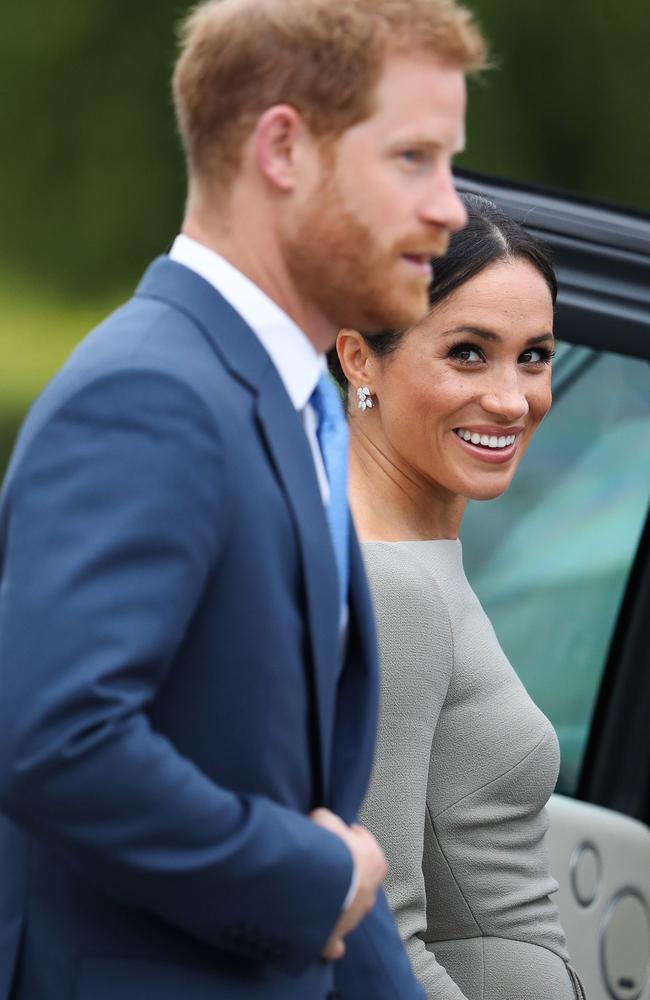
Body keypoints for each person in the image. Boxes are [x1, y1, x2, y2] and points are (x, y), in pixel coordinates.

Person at [0, 2, 487, 998]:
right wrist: (306, 877)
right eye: (412, 159)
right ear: (282, 148)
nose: (448, 207)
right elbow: (52, 737)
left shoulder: (291, 399)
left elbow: (294, 798)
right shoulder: (151, 396)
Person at [333, 194, 586, 999]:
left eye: (535, 357)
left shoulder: (416, 557)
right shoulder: (389, 585)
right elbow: (380, 939)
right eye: (469, 353)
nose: (513, 399)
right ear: (359, 357)